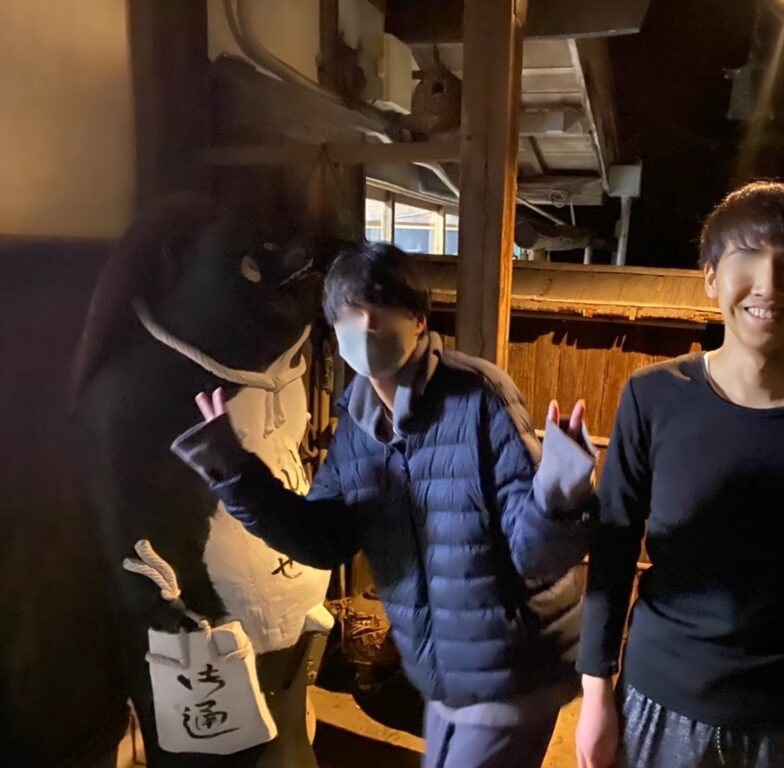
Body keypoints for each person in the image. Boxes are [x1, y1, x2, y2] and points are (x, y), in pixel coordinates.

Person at [172, 241, 597, 768]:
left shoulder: (478, 396)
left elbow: (535, 555)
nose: (368, 325)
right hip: (441, 674)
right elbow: (323, 540)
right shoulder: (356, 429)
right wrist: (235, 471)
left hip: (515, 666)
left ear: (419, 320)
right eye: (351, 312)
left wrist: (560, 491)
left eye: (383, 307)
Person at [575, 181, 784, 768]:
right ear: (710, 277)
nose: (767, 283)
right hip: (654, 702)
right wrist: (596, 692)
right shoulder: (653, 397)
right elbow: (614, 545)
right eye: (746, 256)